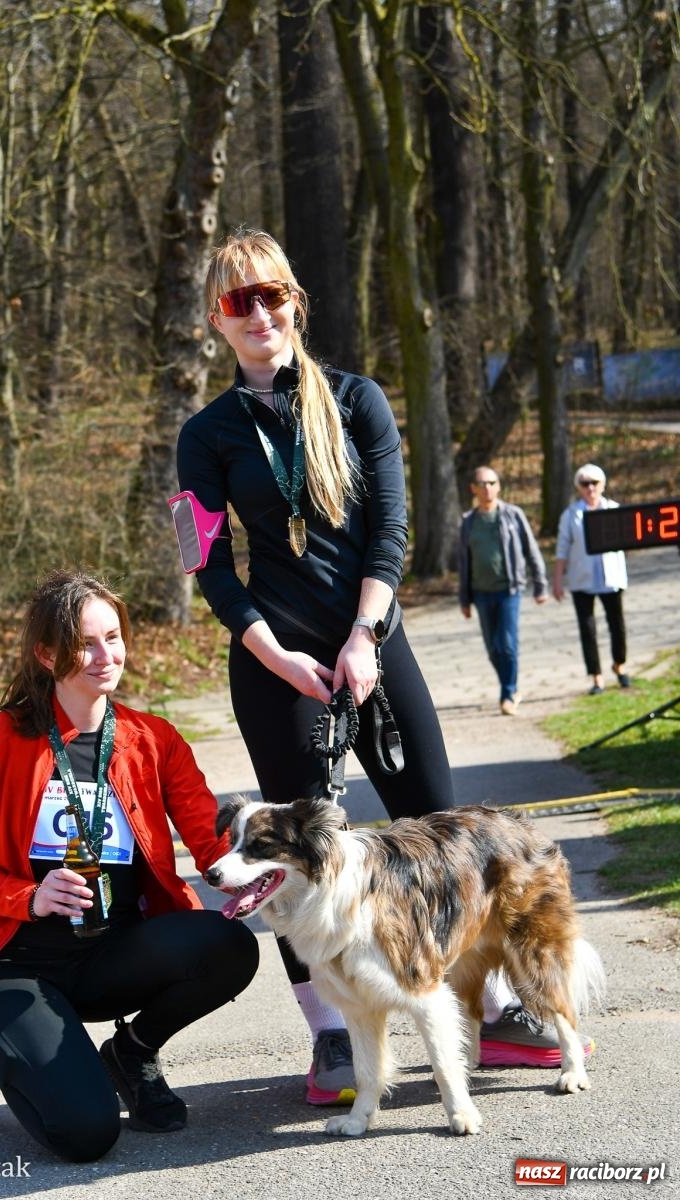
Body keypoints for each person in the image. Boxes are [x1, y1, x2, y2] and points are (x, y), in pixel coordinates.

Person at [174, 228, 585, 1094]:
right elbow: (207, 566)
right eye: (238, 300)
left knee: (444, 828)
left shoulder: (358, 401)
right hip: (274, 664)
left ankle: (494, 1006)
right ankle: (331, 1037)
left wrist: (364, 636)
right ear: (218, 318)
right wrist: (278, 656)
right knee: (292, 856)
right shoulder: (205, 435)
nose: (259, 313)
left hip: (373, 642)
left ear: (296, 301)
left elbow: (389, 533)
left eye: (271, 295)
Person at [0, 570, 259, 1163]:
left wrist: (266, 866)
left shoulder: (153, 739)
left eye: (114, 637)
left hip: (110, 951)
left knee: (228, 944)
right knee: (86, 1135)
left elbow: (212, 835)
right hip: (15, 965)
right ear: (46, 652)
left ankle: (131, 1052)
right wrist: (27, 897)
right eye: (85, 643)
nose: (106, 657)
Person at [458, 467, 548, 715]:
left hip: (509, 590)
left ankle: (508, 693)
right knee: (492, 649)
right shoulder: (468, 522)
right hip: (481, 593)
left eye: (492, 482)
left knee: (506, 644)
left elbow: (531, 551)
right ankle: (510, 685)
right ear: (473, 489)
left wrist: (541, 584)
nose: (487, 488)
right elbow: (464, 562)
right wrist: (464, 599)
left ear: (499, 486)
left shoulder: (513, 515)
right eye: (482, 483)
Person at [553, 463, 631, 694]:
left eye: (594, 483)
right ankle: (596, 676)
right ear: (579, 487)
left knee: (617, 625)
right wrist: (557, 580)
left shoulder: (614, 509)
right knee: (588, 629)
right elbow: (562, 549)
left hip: (611, 578)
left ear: (603, 485)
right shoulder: (570, 515)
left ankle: (620, 665)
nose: (590, 488)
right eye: (585, 483)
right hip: (582, 580)